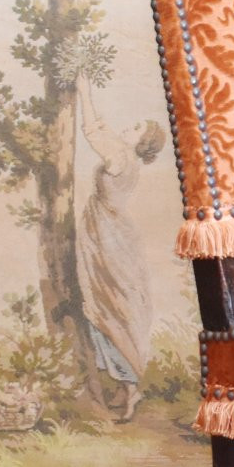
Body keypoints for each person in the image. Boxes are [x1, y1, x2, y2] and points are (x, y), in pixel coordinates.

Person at [76, 78, 166, 421]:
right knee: (111, 306)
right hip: (112, 232)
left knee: (107, 304)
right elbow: (106, 135)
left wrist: (85, 93)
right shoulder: (129, 159)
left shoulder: (119, 156)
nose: (128, 127)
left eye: (135, 128)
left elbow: (93, 130)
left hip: (108, 237)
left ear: (141, 141)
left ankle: (129, 389)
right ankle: (124, 384)